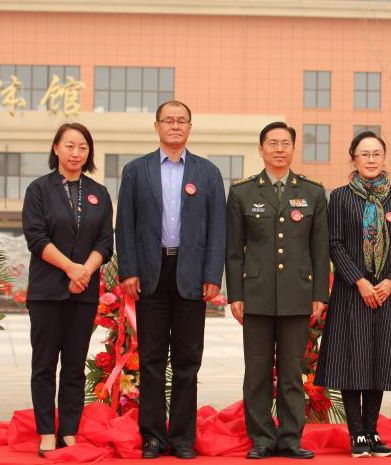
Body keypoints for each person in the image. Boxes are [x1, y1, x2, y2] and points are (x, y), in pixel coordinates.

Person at [116, 101, 226, 459]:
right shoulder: (136, 171)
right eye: (169, 120)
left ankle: (181, 438)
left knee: (187, 360)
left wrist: (212, 275)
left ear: (190, 127)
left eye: (182, 121)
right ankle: (152, 436)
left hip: (192, 275)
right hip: (150, 274)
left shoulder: (208, 173)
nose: (175, 126)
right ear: (157, 126)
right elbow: (126, 226)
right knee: (150, 359)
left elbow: (218, 230)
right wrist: (129, 270)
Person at [225, 121, 329, 460]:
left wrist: (318, 295)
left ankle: (290, 438)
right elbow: (233, 250)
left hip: (298, 296)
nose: (279, 148)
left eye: (286, 143)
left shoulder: (313, 192)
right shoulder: (242, 192)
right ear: (261, 149)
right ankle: (261, 439)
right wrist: (236, 295)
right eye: (272, 143)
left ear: (293, 149)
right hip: (255, 296)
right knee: (256, 373)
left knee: (291, 374)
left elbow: (319, 250)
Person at [315, 131, 391, 458]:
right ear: (353, 158)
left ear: (384, 158)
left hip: (386, 294)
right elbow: (334, 243)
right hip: (351, 291)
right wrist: (358, 280)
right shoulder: (341, 197)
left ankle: (372, 432)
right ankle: (356, 434)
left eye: (376, 154)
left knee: (379, 362)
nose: (371, 160)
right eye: (364, 154)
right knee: (351, 361)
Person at [22, 123, 113, 457]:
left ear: (89, 153)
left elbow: (105, 241)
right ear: (56, 148)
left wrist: (85, 270)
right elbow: (36, 237)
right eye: (70, 146)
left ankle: (69, 431)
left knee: (74, 365)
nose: (76, 153)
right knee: (44, 364)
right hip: (47, 291)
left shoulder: (98, 193)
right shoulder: (38, 190)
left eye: (83, 147)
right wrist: (70, 268)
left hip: (83, 292)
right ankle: (47, 431)